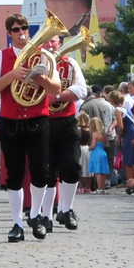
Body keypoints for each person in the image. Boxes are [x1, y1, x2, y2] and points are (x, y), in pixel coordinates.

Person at [0, 13, 59, 241]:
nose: (21, 33)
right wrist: (12, 75)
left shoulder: (44, 56)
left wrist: (42, 81)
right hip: (11, 121)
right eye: (16, 29)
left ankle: (35, 215)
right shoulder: (0, 57)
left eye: (24, 28)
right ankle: (17, 223)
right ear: (9, 33)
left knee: (41, 171)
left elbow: (55, 88)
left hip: (38, 119)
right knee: (14, 174)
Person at [46, 36, 87, 226]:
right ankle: (45, 215)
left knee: (71, 167)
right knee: (46, 171)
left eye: (53, 41)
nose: (50, 45)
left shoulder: (69, 63)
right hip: (42, 122)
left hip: (67, 121)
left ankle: (65, 210)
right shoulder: (33, 64)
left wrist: (56, 96)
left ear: (59, 44)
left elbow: (80, 90)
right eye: (46, 41)